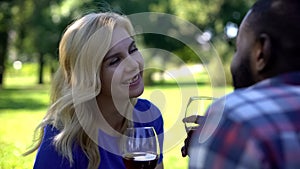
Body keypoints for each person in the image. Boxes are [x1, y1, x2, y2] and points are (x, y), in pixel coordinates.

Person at [24, 12, 164, 169]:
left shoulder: (149, 116)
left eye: (132, 50)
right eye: (115, 60)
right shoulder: (62, 140)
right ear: (90, 76)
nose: (133, 64)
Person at [182, 0, 300, 168]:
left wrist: (220, 137)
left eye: (238, 48)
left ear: (261, 51)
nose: (234, 60)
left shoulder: (235, 121)